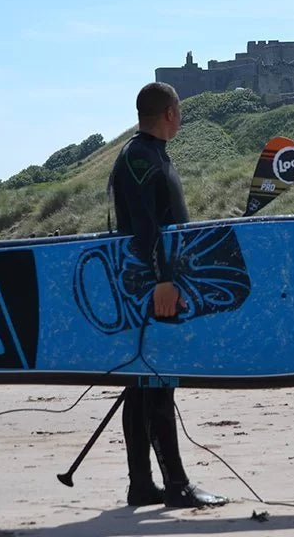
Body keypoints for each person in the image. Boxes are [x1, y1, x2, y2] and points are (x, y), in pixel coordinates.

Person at [109, 82, 225, 509]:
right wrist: (163, 279)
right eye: (180, 110)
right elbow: (144, 225)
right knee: (156, 385)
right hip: (151, 284)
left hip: (153, 280)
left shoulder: (148, 154)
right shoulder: (141, 158)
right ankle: (176, 485)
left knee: (141, 386)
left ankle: (142, 485)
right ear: (170, 113)